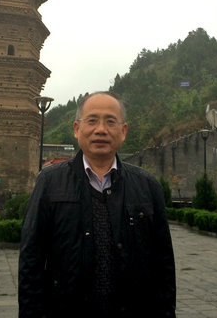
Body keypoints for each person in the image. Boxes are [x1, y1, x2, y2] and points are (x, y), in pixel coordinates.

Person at [19, 91, 176, 318]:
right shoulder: (50, 182)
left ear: (123, 131)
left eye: (110, 122)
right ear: (76, 129)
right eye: (92, 121)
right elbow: (30, 261)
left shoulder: (147, 186)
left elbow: (163, 265)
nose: (101, 129)